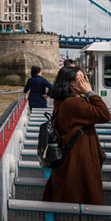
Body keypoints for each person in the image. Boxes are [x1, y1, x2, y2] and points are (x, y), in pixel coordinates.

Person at [43, 67, 111, 204]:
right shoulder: (74, 103)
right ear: (73, 83)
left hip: (68, 159)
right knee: (85, 196)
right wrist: (89, 92)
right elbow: (105, 114)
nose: (86, 81)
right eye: (82, 79)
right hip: (80, 161)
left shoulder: (61, 101)